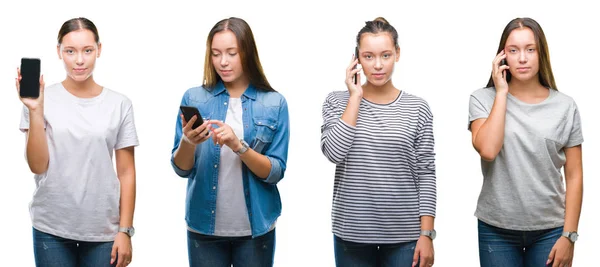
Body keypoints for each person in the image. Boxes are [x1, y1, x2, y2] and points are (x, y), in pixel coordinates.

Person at [16, 17, 138, 267]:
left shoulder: (120, 104)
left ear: (99, 50)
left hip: (103, 231)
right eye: (70, 51)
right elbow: (38, 166)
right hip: (51, 228)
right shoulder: (40, 99)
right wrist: (36, 110)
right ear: (59, 51)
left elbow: (126, 172)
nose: (79, 60)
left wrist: (125, 230)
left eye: (87, 50)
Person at [170, 17, 290, 267]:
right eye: (216, 54)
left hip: (256, 230)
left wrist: (239, 146)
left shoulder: (274, 103)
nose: (223, 62)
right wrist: (188, 142)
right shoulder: (194, 98)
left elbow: (275, 172)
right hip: (203, 228)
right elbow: (181, 168)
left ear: (247, 53)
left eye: (231, 53)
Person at [320, 17, 436, 267]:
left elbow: (426, 172)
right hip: (351, 234)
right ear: (357, 59)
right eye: (368, 56)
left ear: (397, 54)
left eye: (385, 55)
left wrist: (427, 234)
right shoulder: (336, 101)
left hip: (405, 236)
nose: (378, 65)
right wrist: (355, 97)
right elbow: (334, 153)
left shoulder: (418, 108)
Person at [468, 17, 583, 267]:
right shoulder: (482, 100)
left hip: (551, 230)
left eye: (530, 49)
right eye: (513, 50)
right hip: (496, 229)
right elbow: (488, 150)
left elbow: (574, 176)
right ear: (502, 56)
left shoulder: (566, 106)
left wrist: (569, 236)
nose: (522, 58)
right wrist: (501, 92)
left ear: (541, 53)